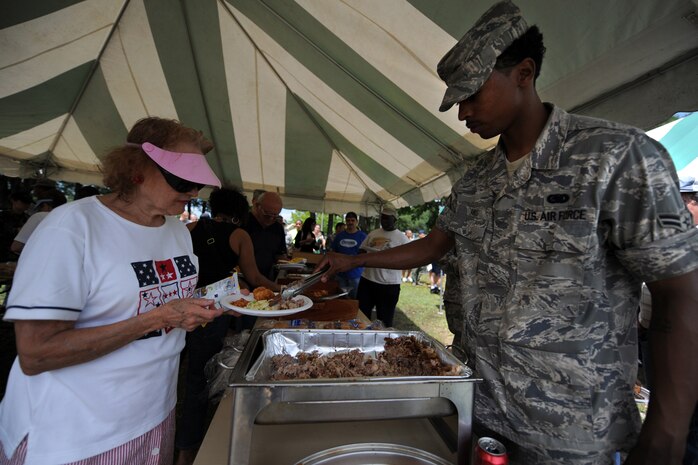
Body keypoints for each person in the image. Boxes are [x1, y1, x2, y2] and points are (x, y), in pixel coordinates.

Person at [318, 2, 698, 464]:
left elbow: (681, 295)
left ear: (524, 72)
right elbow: (435, 246)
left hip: (569, 432)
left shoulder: (616, 158)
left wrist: (666, 437)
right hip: (475, 409)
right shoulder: (476, 180)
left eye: (473, 95)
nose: (463, 114)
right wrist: (354, 261)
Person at [0, 116, 224, 465]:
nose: (194, 192)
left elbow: (169, 304)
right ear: (137, 170)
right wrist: (156, 319)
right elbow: (36, 353)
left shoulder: (177, 232)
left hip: (153, 417)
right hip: (75, 436)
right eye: (182, 179)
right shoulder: (72, 228)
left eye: (198, 182)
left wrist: (215, 302)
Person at [175, 186, 279, 465]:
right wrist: (279, 289)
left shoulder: (190, 228)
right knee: (199, 380)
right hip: (213, 313)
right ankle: (190, 450)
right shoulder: (240, 235)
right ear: (240, 212)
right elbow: (254, 276)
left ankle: (183, 446)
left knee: (176, 375)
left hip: (179, 309)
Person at [355, 206, 409, 326]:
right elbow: (360, 252)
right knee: (361, 317)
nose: (383, 221)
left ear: (395, 220)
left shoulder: (402, 238)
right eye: (382, 218)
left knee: (384, 321)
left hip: (389, 286)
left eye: (387, 219)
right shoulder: (373, 233)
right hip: (367, 281)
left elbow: (407, 261)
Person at [243, 191, 287, 280]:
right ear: (256, 205)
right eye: (267, 214)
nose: (271, 219)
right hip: (241, 279)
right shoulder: (243, 222)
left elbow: (280, 255)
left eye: (275, 216)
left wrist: (290, 265)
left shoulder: (278, 228)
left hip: (266, 279)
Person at [10, 188, 67, 255]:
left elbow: (16, 247)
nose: (39, 210)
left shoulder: (39, 216)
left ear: (46, 205)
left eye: (40, 207)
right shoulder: (70, 219)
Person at [330, 212, 366, 299]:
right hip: (340, 273)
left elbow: (366, 253)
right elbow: (333, 252)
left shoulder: (363, 236)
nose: (350, 222)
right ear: (345, 221)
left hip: (356, 274)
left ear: (356, 222)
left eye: (352, 220)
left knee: (354, 298)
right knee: (340, 298)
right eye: (348, 220)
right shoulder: (339, 236)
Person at [0, 191, 32, 262]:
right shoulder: (3, 216)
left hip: (19, 256)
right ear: (13, 200)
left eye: (28, 202)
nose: (26, 204)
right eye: (23, 201)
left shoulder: (29, 218)